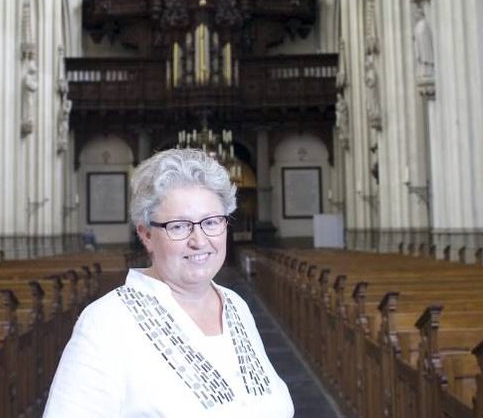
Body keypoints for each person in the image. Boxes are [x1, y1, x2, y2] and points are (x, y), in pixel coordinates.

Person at [42, 148, 294, 417]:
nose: (199, 240)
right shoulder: (105, 323)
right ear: (146, 234)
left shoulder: (236, 306)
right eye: (178, 226)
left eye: (211, 222)